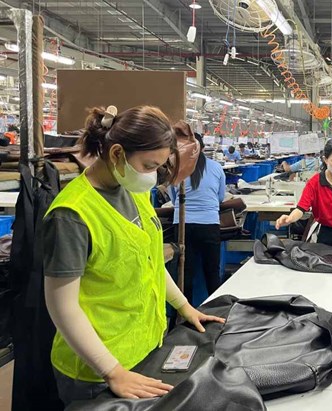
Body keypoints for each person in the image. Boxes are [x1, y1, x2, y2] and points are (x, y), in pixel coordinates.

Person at [43, 106, 224, 405]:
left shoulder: (133, 191)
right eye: (149, 165)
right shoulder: (72, 215)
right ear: (116, 154)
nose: (152, 175)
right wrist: (112, 371)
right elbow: (62, 307)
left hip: (142, 350)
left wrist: (184, 306)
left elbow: (150, 261)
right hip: (96, 371)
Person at [170, 126, 227, 302]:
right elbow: (220, 197)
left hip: (182, 226)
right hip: (209, 225)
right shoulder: (216, 167)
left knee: (185, 271)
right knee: (212, 271)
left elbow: (174, 200)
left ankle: (184, 312)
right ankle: (216, 308)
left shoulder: (177, 168)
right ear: (202, 148)